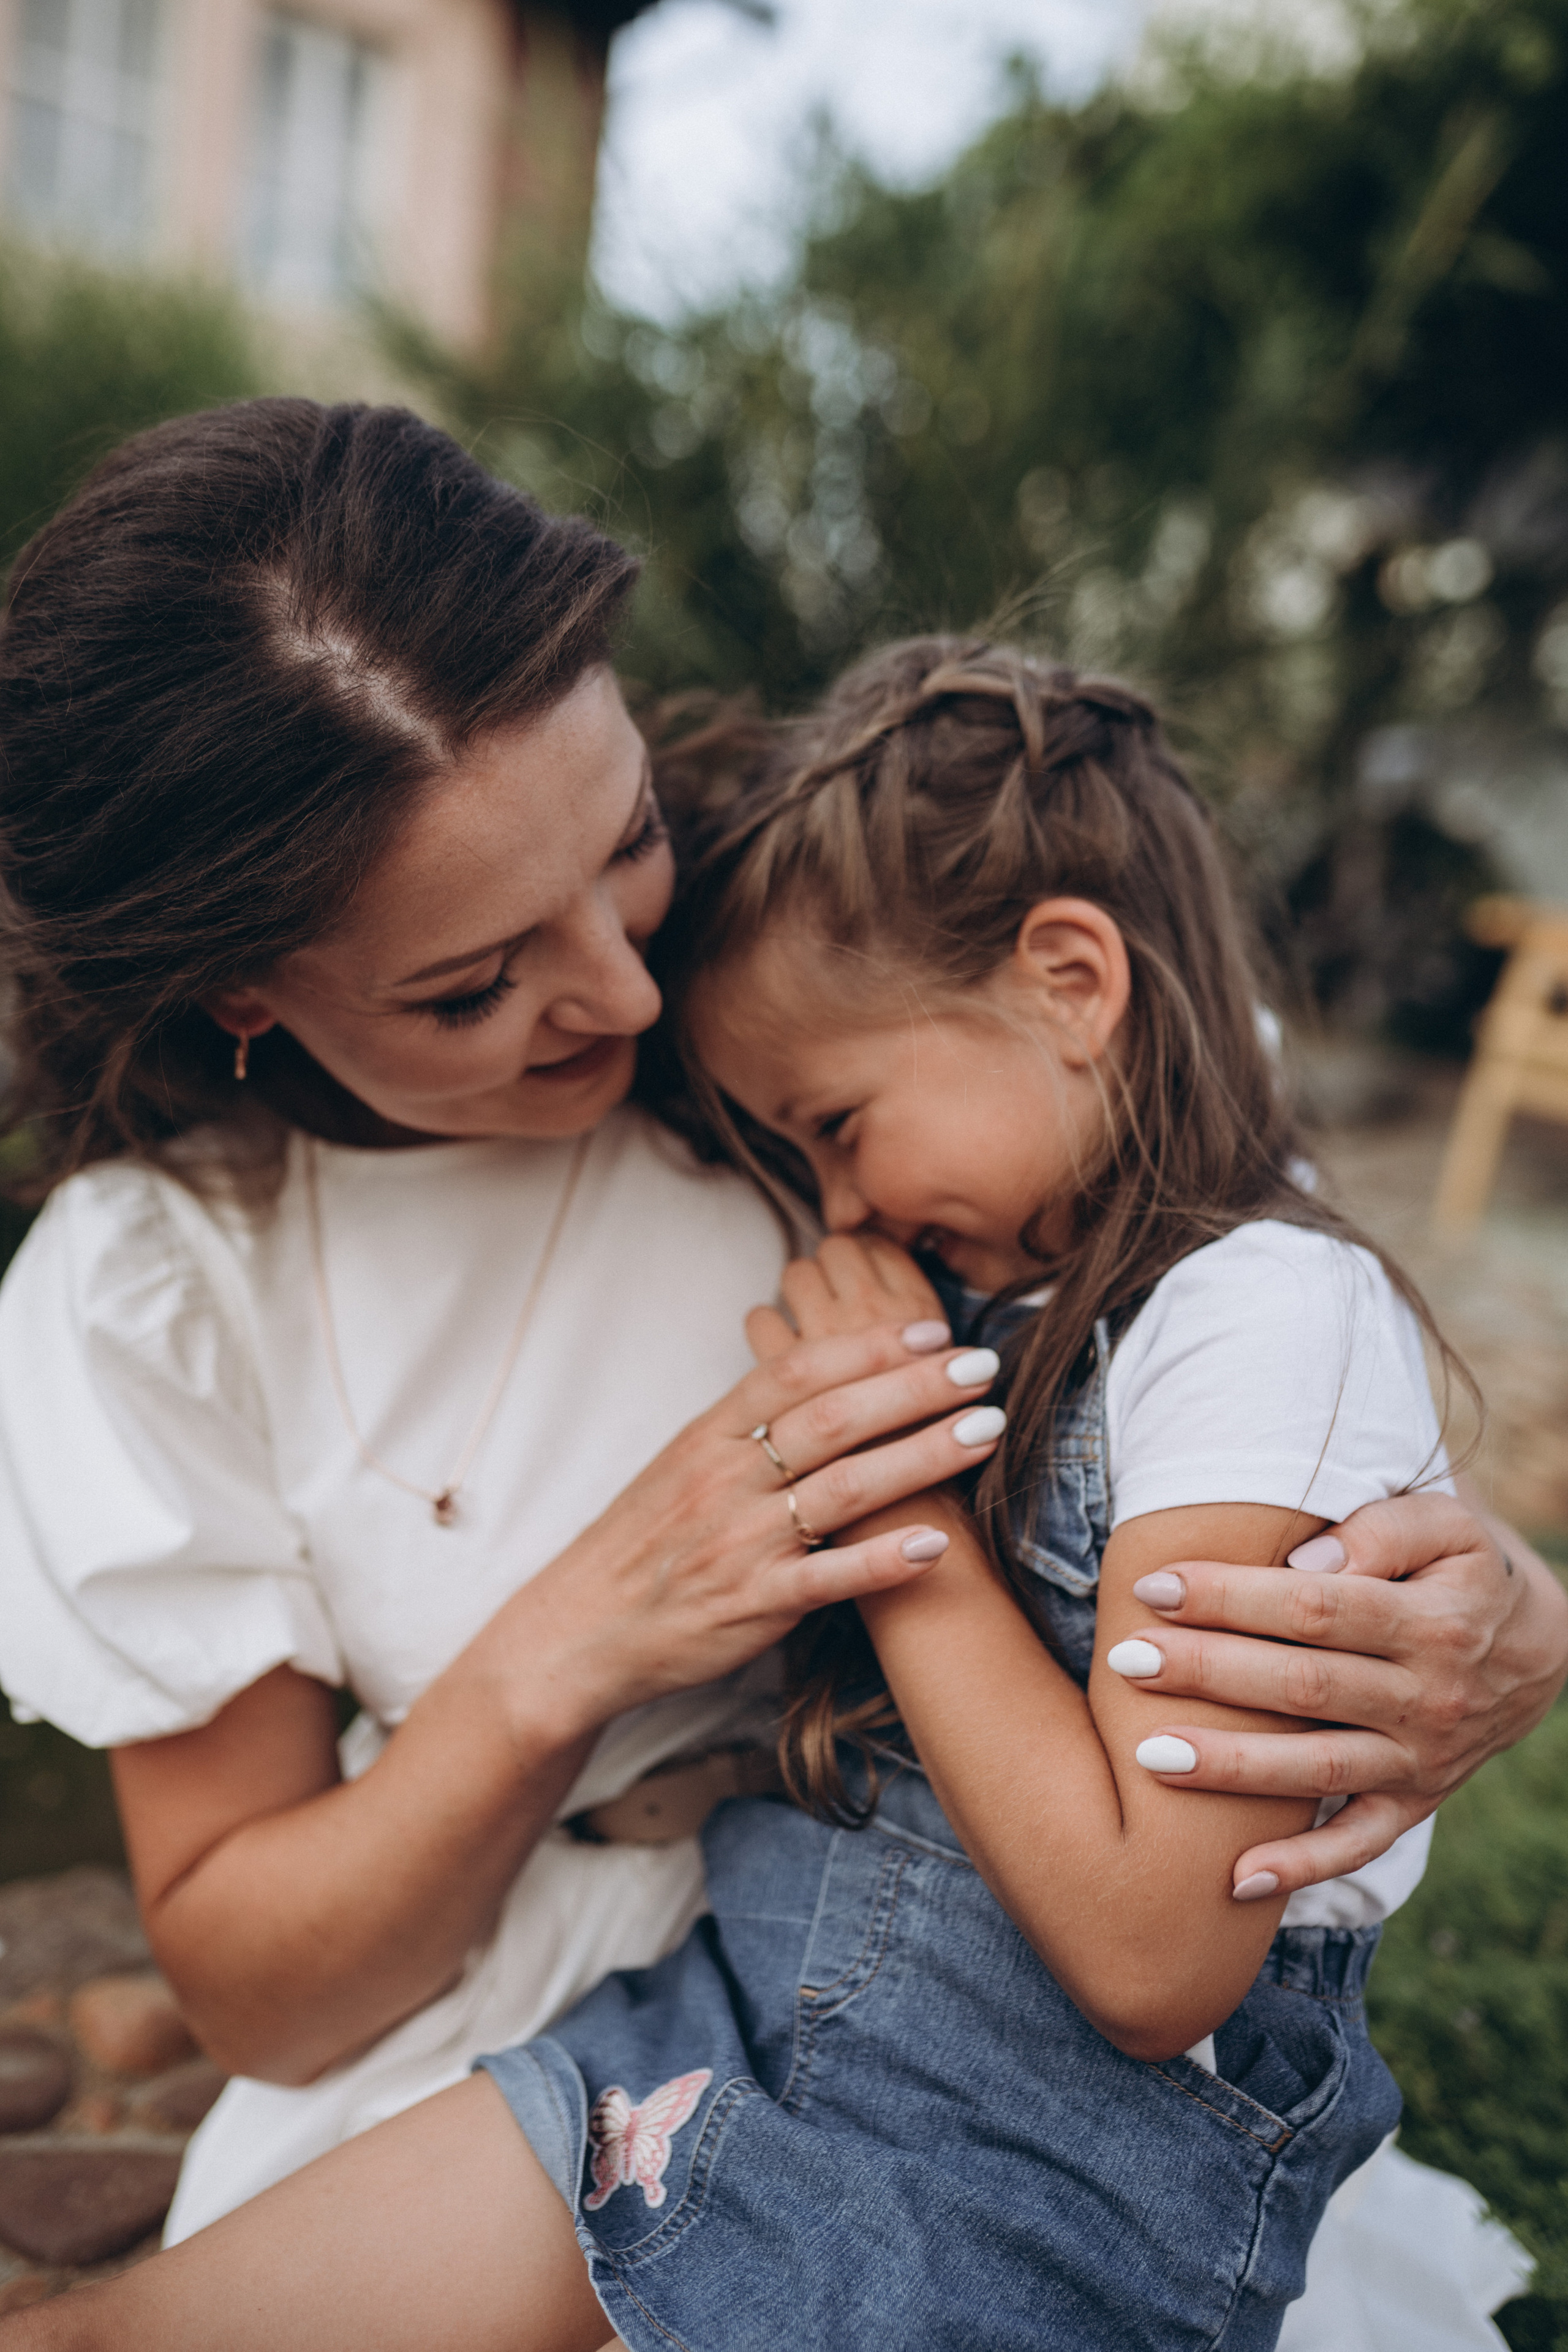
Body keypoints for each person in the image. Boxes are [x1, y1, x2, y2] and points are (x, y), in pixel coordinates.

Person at [6, 619, 1560, 2352]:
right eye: (475, 984)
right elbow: (258, 1988)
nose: (626, 992)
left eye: (625, 848)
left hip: (997, 2070)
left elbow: (1220, 1252)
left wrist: (1500, 1591)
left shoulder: (796, 944)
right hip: (601, 2005)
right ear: (249, 989)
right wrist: (580, 1638)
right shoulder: (155, 1278)